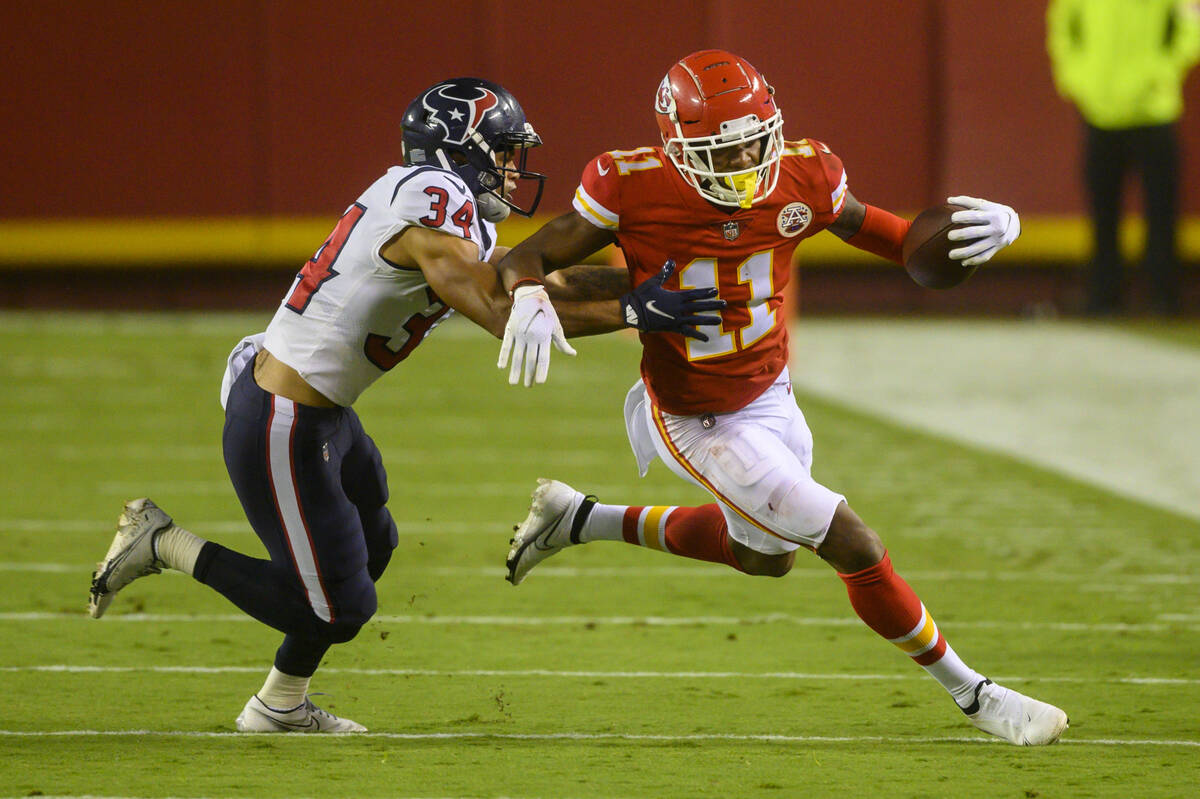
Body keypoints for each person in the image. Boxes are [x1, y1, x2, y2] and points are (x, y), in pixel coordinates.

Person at [87, 77, 721, 733]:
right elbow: (503, 310)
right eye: (503, 150)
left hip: (320, 410)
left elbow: (531, 279)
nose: (513, 166)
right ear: (459, 149)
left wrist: (644, 279)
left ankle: (278, 704)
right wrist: (632, 310)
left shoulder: (437, 204)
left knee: (374, 543)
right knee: (340, 606)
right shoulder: (435, 202)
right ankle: (162, 542)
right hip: (283, 416)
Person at [502, 49, 1069, 746]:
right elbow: (524, 257)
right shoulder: (630, 183)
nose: (743, 159)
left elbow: (899, 244)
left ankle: (580, 518)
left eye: (752, 139)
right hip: (693, 414)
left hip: (771, 392)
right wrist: (529, 290)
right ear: (675, 145)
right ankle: (975, 693)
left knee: (767, 558)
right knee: (850, 539)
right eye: (722, 147)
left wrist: (978, 237)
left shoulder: (803, 172)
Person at [1047, 0, 1200, 315]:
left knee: (1161, 211)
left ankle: (1163, 297)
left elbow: (1192, 22)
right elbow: (1061, 28)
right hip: (1099, 113)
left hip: (1154, 112)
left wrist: (1162, 72)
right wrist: (1076, 78)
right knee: (1103, 211)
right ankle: (1104, 295)